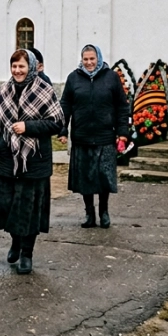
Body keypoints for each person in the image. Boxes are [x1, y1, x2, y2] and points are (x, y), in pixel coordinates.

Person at [0, 50, 64, 274]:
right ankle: (15, 240)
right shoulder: (3, 91)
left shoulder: (44, 91)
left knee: (28, 208)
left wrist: (29, 127)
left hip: (34, 161)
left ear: (32, 67)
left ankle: (27, 252)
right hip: (7, 159)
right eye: (14, 66)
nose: (17, 71)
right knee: (5, 205)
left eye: (22, 67)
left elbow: (57, 123)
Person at [59, 44, 131, 229]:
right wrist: (62, 130)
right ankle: (89, 213)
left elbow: (122, 106)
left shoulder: (111, 77)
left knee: (103, 176)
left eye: (92, 59)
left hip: (105, 136)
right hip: (82, 136)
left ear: (98, 58)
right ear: (81, 60)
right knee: (86, 178)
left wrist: (122, 132)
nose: (89, 63)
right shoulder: (73, 78)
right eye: (86, 59)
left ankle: (104, 212)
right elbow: (65, 105)